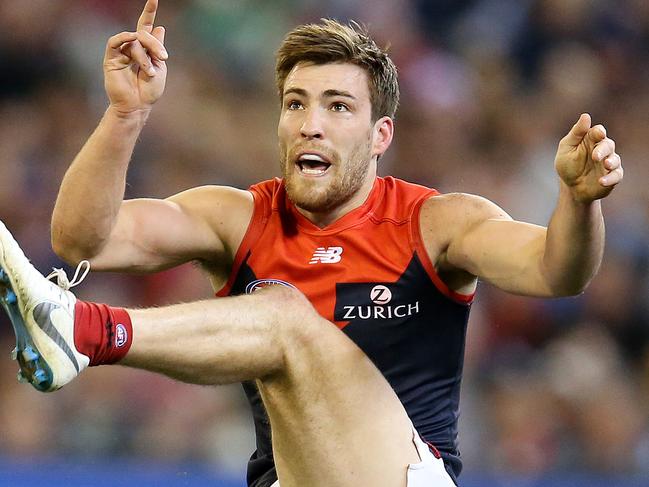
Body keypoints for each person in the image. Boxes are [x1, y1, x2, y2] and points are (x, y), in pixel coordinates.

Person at [0, 1, 623, 486]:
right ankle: (73, 332)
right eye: (295, 104)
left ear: (380, 135)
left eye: (337, 106)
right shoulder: (239, 216)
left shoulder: (437, 222)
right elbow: (81, 241)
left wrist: (578, 201)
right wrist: (125, 115)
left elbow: (557, 271)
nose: (311, 123)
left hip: (405, 478)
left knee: (284, 314)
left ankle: (83, 332)